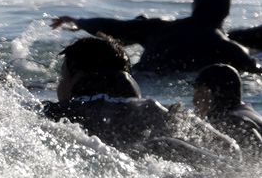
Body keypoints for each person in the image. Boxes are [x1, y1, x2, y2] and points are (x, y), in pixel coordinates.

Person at [37, 37, 237, 168]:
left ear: (74, 77)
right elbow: (230, 148)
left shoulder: (56, 113)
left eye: (61, 78)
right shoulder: (163, 112)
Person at [52, 0, 262, 78]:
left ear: (195, 5)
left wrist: (79, 21)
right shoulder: (227, 48)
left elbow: (116, 28)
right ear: (226, 12)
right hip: (166, 84)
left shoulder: (159, 27)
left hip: (137, 76)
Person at [191, 64, 262, 173]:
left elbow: (259, 162)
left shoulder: (232, 119)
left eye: (199, 91)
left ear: (213, 93)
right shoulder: (243, 113)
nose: (194, 100)